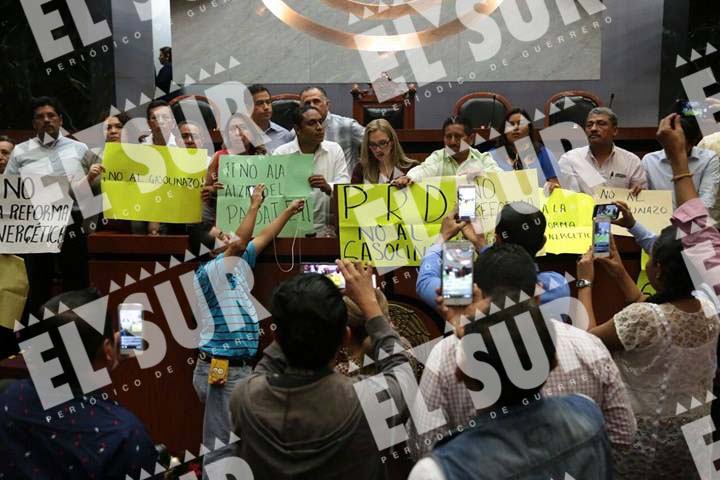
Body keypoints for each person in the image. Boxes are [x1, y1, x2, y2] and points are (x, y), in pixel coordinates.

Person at [409, 218, 635, 458]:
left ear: (476, 292)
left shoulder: (445, 354)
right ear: (538, 294)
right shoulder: (588, 344)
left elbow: (422, 447)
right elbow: (623, 435)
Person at [576, 113, 720, 479]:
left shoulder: (641, 320)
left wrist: (586, 284)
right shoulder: (707, 308)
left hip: (642, 443)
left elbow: (591, 345)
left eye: (652, 256)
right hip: (697, 438)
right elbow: (695, 243)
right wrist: (623, 274)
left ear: (655, 270)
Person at [229, 260, 415, 479]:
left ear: (275, 337)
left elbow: (267, 363)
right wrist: (370, 305)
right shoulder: (366, 400)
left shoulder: (245, 398)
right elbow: (401, 371)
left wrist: (297, 315)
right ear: (344, 338)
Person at [192, 191, 305, 478]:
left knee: (236, 445)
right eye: (222, 236)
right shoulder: (210, 272)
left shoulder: (238, 267)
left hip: (237, 370)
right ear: (211, 251)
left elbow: (264, 236)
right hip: (222, 371)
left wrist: (289, 211)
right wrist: (255, 204)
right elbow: (242, 241)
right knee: (221, 447)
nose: (229, 237)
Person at [0, 289, 158, 478]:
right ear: (108, 349)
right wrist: (103, 355)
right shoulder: (125, 436)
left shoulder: (6, 397)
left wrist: (102, 353)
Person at [4, 97, 91, 317]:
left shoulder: (80, 149)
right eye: (40, 117)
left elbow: (96, 188)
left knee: (77, 282)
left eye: (51, 115)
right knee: (37, 284)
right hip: (36, 224)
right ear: (34, 124)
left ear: (60, 120)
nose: (46, 120)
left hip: (71, 222)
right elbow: (9, 190)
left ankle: (81, 336)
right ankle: (38, 340)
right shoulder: (21, 152)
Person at [416, 202, 570, 309]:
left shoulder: (469, 292)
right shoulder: (557, 285)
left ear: (497, 239)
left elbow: (425, 282)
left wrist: (443, 237)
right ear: (543, 243)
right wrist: (481, 245)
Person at [274, 105, 350, 237]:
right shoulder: (281, 153)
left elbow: (345, 185)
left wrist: (328, 187)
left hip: (326, 232)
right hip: (290, 231)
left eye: (321, 121)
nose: (320, 127)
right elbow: (272, 192)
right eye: (312, 123)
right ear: (298, 129)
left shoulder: (334, 150)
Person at [558, 107, 647, 195]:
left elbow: (640, 200)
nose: (593, 129)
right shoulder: (569, 159)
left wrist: (639, 192)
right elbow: (564, 196)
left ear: (615, 130)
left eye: (601, 124)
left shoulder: (631, 161)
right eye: (589, 125)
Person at [642, 115, 720, 209]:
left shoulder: (708, 158)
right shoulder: (649, 160)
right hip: (659, 219)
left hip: (694, 220)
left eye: (681, 145)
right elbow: (644, 196)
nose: (674, 148)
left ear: (692, 143)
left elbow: (707, 201)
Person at [399, 116, 502, 185]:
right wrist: (408, 177)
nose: (452, 142)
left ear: (471, 139)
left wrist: (482, 173)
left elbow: (501, 177)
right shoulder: (438, 157)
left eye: (458, 137)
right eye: (448, 137)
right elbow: (423, 170)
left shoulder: (482, 158)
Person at [492, 108, 560, 190]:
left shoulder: (543, 154)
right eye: (511, 124)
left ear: (529, 129)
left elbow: (557, 186)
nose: (516, 128)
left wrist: (553, 186)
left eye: (521, 124)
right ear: (504, 131)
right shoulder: (490, 156)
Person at [300, 86, 365, 171]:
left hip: (341, 182)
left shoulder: (347, 126)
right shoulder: (298, 131)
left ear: (327, 104)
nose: (312, 106)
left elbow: (376, 140)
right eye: (307, 103)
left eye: (316, 101)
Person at [351, 118, 417, 184]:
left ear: (392, 142)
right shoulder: (361, 170)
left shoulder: (412, 168)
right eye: (373, 144)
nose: (378, 149)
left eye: (382, 143)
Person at [248, 84, 293, 152]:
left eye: (268, 102)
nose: (266, 107)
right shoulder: (237, 135)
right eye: (260, 103)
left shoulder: (285, 135)